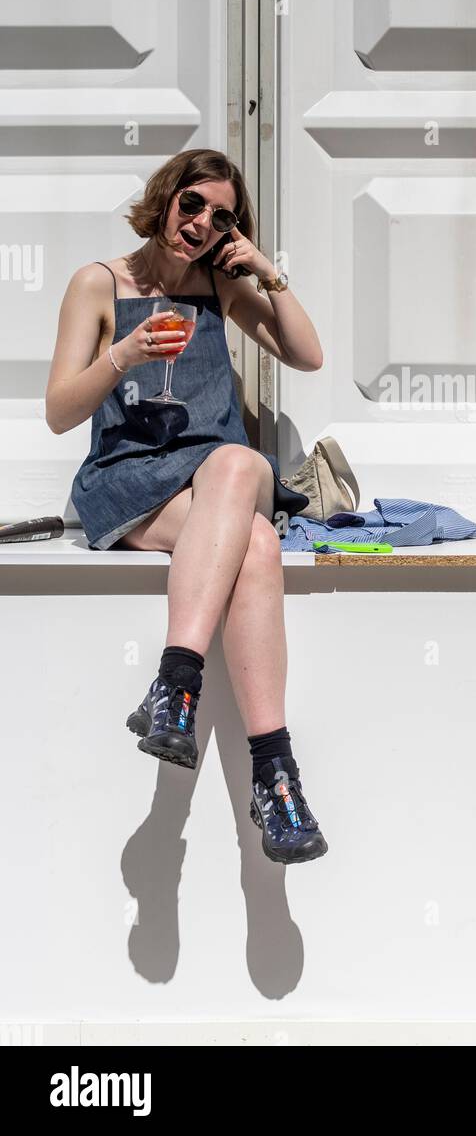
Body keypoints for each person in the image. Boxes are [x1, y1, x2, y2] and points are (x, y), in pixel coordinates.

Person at [46, 147, 327, 866]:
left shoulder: (220, 289)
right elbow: (58, 412)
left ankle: (176, 683)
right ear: (166, 199)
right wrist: (124, 356)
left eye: (221, 216)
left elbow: (308, 354)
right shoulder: (98, 284)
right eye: (193, 205)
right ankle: (275, 772)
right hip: (131, 479)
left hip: (217, 479)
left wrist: (267, 273)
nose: (201, 224)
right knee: (258, 547)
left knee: (234, 462)